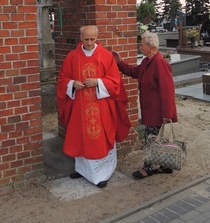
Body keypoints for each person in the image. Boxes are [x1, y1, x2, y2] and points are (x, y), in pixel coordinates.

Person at [57, 25, 131, 188]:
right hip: (80, 107)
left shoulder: (106, 56)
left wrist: (98, 82)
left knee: (100, 139)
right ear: (80, 37)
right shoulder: (72, 56)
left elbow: (115, 81)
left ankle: (102, 174)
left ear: (97, 38)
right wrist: (72, 84)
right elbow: (63, 79)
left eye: (92, 39)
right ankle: (83, 170)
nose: (89, 42)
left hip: (101, 106)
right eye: (86, 39)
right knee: (80, 137)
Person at [113, 31, 178, 179]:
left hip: (157, 111)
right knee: (156, 138)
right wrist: (119, 63)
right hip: (150, 109)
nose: (140, 47)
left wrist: (167, 114)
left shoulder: (160, 63)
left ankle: (148, 168)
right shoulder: (147, 61)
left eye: (142, 44)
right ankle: (164, 165)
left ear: (150, 46)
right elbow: (135, 72)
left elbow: (167, 90)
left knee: (151, 138)